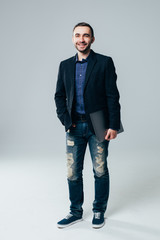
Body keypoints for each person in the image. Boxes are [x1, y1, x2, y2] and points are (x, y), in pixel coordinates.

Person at [54, 22, 121, 229]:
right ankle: (75, 211)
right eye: (77, 35)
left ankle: (99, 209)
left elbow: (112, 96)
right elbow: (59, 96)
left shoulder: (104, 62)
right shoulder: (65, 65)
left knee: (100, 170)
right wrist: (66, 120)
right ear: (73, 38)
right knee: (72, 172)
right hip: (74, 126)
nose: (81, 39)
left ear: (92, 39)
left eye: (85, 35)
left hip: (99, 126)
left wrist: (113, 125)